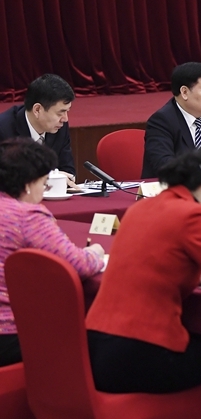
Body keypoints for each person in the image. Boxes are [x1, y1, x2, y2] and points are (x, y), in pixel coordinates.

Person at [86, 148, 201, 393]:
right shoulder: (194, 215)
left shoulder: (140, 208)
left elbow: (155, 264)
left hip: (96, 346)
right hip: (140, 351)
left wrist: (198, 276)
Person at [0, 138, 104, 367]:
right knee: (101, 340)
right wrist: (95, 253)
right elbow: (79, 264)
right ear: (29, 183)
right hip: (10, 334)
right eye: (44, 183)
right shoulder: (26, 216)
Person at [0, 74, 77, 178]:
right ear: (37, 110)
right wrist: (50, 178)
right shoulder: (4, 129)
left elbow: (68, 171)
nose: (65, 119)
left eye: (67, 111)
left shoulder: (59, 127)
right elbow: (6, 178)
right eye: (60, 113)